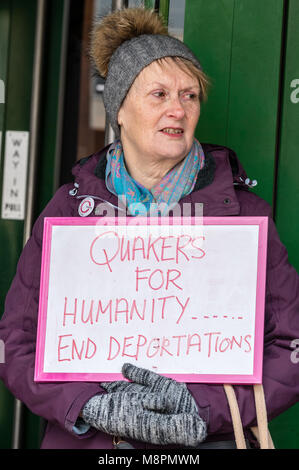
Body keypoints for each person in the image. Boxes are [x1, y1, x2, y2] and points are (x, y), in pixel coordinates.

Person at [0, 7, 299, 450]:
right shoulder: (69, 213)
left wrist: (202, 409)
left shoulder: (242, 216)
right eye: (158, 94)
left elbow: (290, 345)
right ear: (119, 110)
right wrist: (86, 405)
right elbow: (17, 343)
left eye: (190, 95)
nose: (177, 109)